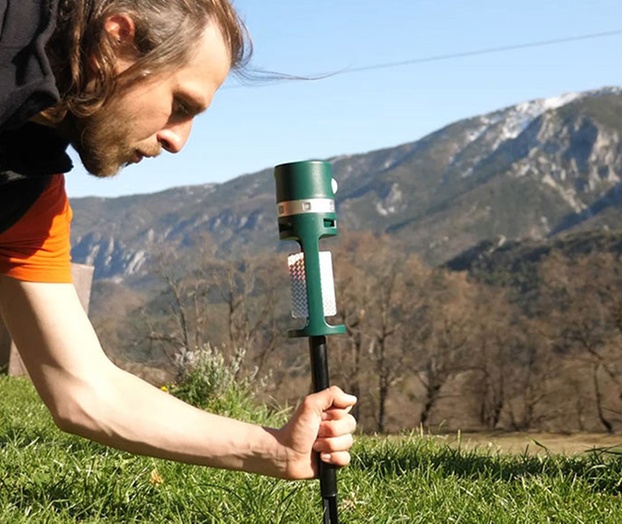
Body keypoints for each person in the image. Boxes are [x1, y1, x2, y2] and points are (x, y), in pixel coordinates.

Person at [0, 0, 357, 481]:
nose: (178, 140)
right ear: (117, 38)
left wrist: (273, 449)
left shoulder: (26, 188)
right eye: (181, 104)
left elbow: (84, 388)